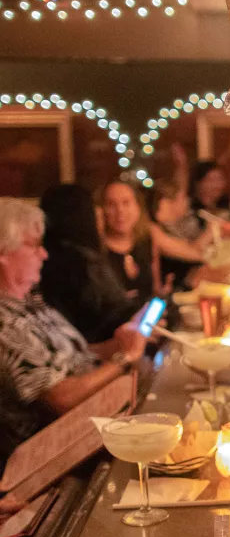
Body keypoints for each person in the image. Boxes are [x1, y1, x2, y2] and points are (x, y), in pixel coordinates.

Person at [0, 198, 146, 470]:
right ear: (3, 253)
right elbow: (61, 398)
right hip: (64, 456)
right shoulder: (5, 323)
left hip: (103, 417)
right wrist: (124, 359)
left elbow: (68, 357)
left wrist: (115, 345)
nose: (44, 254)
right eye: (33, 246)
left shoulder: (29, 301)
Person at [39, 184, 141, 343]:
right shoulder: (81, 261)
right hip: (105, 350)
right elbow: (107, 318)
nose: (99, 212)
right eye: (94, 206)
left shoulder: (49, 256)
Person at [99, 180, 205, 302]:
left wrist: (169, 291)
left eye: (126, 203)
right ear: (102, 210)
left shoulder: (147, 238)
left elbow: (155, 291)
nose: (120, 211)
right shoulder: (98, 249)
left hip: (147, 318)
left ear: (138, 206)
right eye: (111, 204)